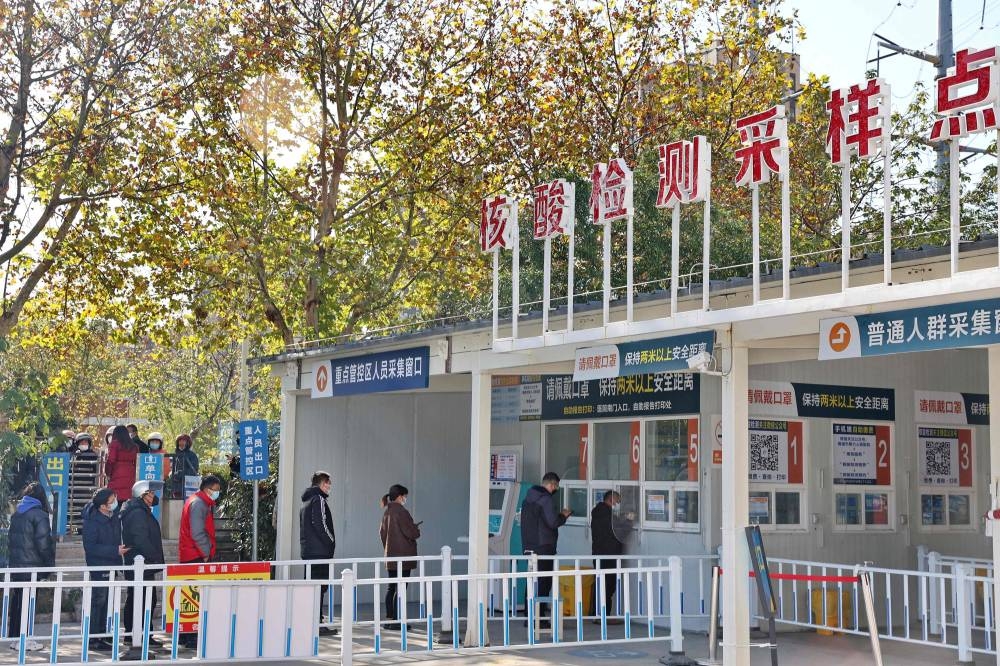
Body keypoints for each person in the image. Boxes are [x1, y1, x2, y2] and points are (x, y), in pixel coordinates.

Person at [519, 472, 571, 628]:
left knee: (531, 582)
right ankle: (539, 619)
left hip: (529, 546)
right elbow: (553, 522)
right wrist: (563, 515)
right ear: (552, 484)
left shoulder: (527, 499)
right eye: (556, 486)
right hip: (544, 548)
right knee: (544, 583)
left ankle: (529, 617)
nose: (556, 489)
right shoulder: (546, 499)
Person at [7, 483, 54, 651]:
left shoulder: (17, 514)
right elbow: (44, 544)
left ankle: (15, 639)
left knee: (18, 603)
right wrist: (49, 565)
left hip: (17, 566)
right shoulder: (39, 515)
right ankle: (26, 640)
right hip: (32, 567)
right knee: (29, 604)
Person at [177, 475, 221, 648]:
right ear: (207, 489)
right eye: (215, 490)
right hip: (195, 554)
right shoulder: (198, 504)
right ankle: (190, 636)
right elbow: (197, 532)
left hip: (192, 553)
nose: (217, 493)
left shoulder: (198, 501)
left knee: (191, 596)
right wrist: (205, 553)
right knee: (194, 597)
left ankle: (186, 635)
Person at [82, 488, 129, 651]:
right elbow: (90, 547)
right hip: (99, 566)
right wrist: (114, 550)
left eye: (115, 498)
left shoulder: (113, 516)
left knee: (107, 601)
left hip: (112, 564)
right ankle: (93, 638)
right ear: (103, 506)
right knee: (99, 601)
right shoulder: (92, 521)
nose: (115, 502)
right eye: (112, 500)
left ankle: (103, 634)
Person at [120, 480, 164, 643]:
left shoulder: (141, 510)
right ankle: (137, 634)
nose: (153, 497)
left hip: (144, 563)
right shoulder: (137, 513)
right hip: (141, 563)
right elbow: (141, 539)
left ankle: (139, 633)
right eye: (150, 494)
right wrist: (154, 556)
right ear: (141, 495)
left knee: (143, 599)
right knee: (142, 600)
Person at [300, 471, 338, 636]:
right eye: (327, 483)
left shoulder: (306, 501)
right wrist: (331, 541)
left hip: (309, 552)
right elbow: (320, 524)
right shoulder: (318, 499)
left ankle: (311, 622)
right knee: (320, 588)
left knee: (312, 588)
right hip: (320, 552)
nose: (329, 486)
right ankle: (317, 624)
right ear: (321, 483)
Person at [379, 484, 420, 629]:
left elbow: (382, 533)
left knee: (391, 587)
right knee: (401, 588)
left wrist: (389, 549)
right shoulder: (402, 512)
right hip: (404, 556)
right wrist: (416, 529)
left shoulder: (387, 512)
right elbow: (412, 533)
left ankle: (390, 620)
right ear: (399, 496)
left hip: (391, 556)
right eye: (405, 496)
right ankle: (397, 621)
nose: (405, 499)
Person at [590, 490, 634, 624]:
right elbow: (619, 532)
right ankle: (604, 617)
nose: (618, 504)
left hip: (599, 553)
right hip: (609, 555)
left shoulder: (598, 512)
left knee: (600, 584)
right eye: (618, 501)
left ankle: (597, 615)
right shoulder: (608, 515)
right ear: (611, 500)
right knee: (608, 586)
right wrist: (629, 520)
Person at [106, 425, 139, 504]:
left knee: (115, 502)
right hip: (130, 475)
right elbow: (137, 463)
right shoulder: (134, 446)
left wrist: (108, 473)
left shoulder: (114, 444)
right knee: (127, 502)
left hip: (116, 475)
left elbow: (111, 461)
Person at [169, 434, 199, 499]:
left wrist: (180, 473)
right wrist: (171, 474)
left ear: (188, 443)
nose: (181, 443)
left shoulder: (192, 455)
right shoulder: (175, 455)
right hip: (176, 487)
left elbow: (194, 471)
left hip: (188, 486)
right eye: (180, 441)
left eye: (184, 441)